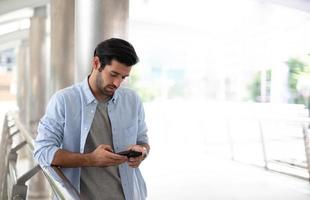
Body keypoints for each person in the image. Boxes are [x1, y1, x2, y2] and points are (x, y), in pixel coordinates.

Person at [34, 38, 150, 200]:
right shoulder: (64, 100)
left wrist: (142, 153)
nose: (117, 83)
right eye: (113, 74)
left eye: (123, 77)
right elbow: (42, 152)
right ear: (96, 63)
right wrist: (91, 159)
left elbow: (143, 141)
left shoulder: (132, 100)